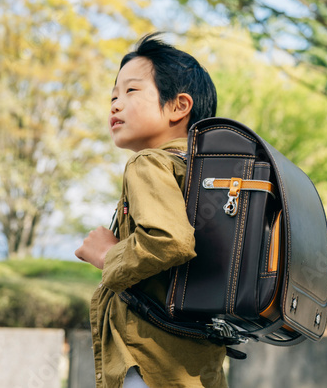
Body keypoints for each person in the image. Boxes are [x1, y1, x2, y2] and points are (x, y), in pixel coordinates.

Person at [75, 33, 226, 388]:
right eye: (113, 95)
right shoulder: (201, 171)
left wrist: (108, 255)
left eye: (131, 91)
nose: (114, 104)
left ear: (178, 106)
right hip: (196, 364)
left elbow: (169, 240)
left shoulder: (147, 163)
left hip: (148, 363)